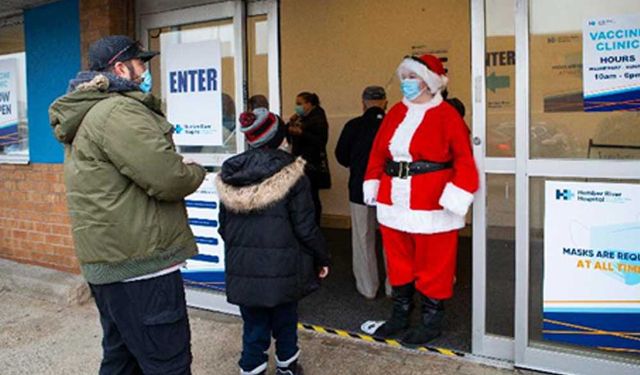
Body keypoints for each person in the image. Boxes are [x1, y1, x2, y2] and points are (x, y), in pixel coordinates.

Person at [49, 35, 206, 374]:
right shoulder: (117, 111)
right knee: (168, 362)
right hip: (142, 265)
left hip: (112, 263)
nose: (145, 70)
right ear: (120, 67)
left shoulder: (91, 111)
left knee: (123, 359)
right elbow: (168, 178)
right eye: (140, 63)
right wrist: (194, 171)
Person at [360, 54, 479, 346]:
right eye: (405, 77)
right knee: (398, 262)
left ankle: (431, 321)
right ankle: (400, 316)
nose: (406, 83)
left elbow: (465, 160)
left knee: (434, 265)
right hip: (393, 201)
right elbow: (378, 152)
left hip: (433, 203)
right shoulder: (395, 113)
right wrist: (372, 181)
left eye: (412, 78)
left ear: (428, 82)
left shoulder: (447, 115)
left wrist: (456, 195)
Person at [217, 107, 330, 375]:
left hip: (245, 267)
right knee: (285, 319)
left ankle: (251, 368)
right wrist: (322, 257)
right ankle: (287, 366)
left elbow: (224, 227)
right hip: (284, 266)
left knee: (253, 323)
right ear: (280, 137)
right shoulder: (293, 173)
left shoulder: (231, 172)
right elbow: (305, 227)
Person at [335, 85, 391, 299]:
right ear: (385, 102)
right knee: (392, 240)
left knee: (362, 238)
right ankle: (394, 287)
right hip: (390, 191)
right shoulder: (393, 123)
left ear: (363, 102)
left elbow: (341, 155)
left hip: (359, 188)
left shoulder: (353, 126)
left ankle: (368, 288)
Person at [287, 92, 331, 224]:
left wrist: (302, 133)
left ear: (309, 104)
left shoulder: (317, 119)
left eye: (299, 104)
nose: (297, 107)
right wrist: (291, 121)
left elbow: (320, 141)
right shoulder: (303, 118)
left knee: (311, 195)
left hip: (312, 162)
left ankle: (313, 223)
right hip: (303, 161)